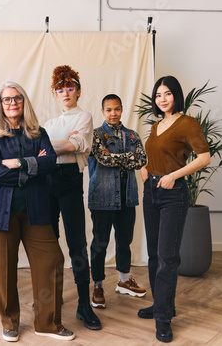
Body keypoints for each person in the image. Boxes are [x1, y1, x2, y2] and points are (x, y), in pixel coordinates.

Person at [0, 81, 75, 342]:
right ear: (0, 105)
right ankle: (9, 322)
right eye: (7, 100)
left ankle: (48, 324)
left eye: (17, 98)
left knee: (52, 261)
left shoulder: (38, 133)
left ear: (24, 102)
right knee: (4, 270)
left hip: (35, 211)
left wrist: (19, 163)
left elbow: (50, 163)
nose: (12, 103)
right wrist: (32, 169)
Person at [139, 76, 210, 343]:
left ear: (176, 96)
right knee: (154, 255)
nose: (162, 99)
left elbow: (204, 157)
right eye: (158, 95)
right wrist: (144, 171)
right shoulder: (157, 125)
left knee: (167, 257)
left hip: (173, 194)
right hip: (151, 192)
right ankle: (161, 305)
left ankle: (164, 318)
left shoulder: (187, 123)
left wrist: (174, 176)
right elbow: (152, 156)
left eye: (167, 94)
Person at [43, 65, 101, 330]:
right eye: (60, 89)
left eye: (69, 88)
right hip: (46, 182)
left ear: (77, 91)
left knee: (76, 242)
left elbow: (73, 145)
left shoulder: (85, 117)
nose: (65, 93)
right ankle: (51, 299)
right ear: (55, 94)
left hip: (69, 180)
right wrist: (50, 148)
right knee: (49, 242)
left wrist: (45, 148)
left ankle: (83, 304)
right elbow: (55, 148)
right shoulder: (50, 124)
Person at [87, 94, 147, 310]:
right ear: (102, 111)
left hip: (128, 198)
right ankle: (98, 285)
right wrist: (127, 158)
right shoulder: (95, 135)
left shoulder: (132, 135)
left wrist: (119, 159)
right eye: (109, 110)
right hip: (102, 198)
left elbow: (141, 159)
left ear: (122, 110)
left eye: (117, 109)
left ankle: (124, 280)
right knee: (100, 244)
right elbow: (103, 159)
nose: (113, 114)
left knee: (125, 241)